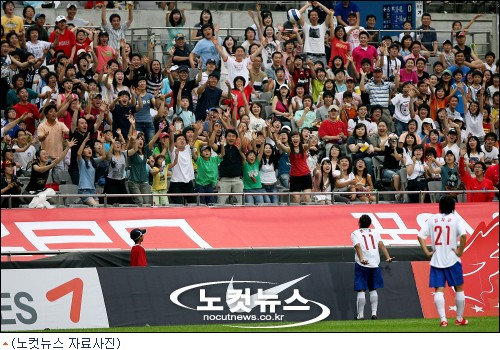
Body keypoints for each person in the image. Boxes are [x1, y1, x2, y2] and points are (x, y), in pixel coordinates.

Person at [417, 195, 468, 327]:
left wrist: (427, 252)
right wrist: (460, 251)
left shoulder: (432, 219)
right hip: (452, 258)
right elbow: (463, 235)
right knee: (459, 288)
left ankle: (443, 319)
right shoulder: (455, 219)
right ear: (453, 206)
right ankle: (459, 318)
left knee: (439, 289)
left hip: (436, 259)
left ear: (440, 206)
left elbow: (420, 236)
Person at [351, 214, 394, 320]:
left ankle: (360, 315)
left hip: (362, 264)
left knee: (361, 289)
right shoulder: (375, 232)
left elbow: (357, 246)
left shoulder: (355, 233)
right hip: (374, 263)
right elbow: (381, 244)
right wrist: (388, 257)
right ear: (370, 224)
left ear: (359, 223)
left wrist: (361, 259)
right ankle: (374, 314)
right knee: (373, 288)